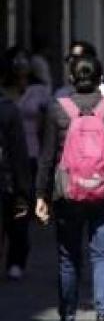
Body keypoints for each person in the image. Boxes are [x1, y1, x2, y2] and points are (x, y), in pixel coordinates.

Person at [35, 55, 104, 321]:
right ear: (101, 79)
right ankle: (103, 315)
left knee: (69, 259)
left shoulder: (59, 110)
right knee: (102, 256)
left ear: (70, 79)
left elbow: (46, 158)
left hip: (67, 194)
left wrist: (41, 197)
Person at [1, 46, 50, 278]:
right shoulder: (4, 98)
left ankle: (16, 260)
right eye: (15, 64)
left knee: (20, 210)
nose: (20, 68)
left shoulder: (38, 91)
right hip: (8, 158)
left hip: (31, 154)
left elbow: (48, 124)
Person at [0, 81, 32, 278]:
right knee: (16, 222)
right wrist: (23, 185)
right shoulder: (9, 110)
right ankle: (15, 263)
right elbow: (18, 150)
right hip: (7, 177)